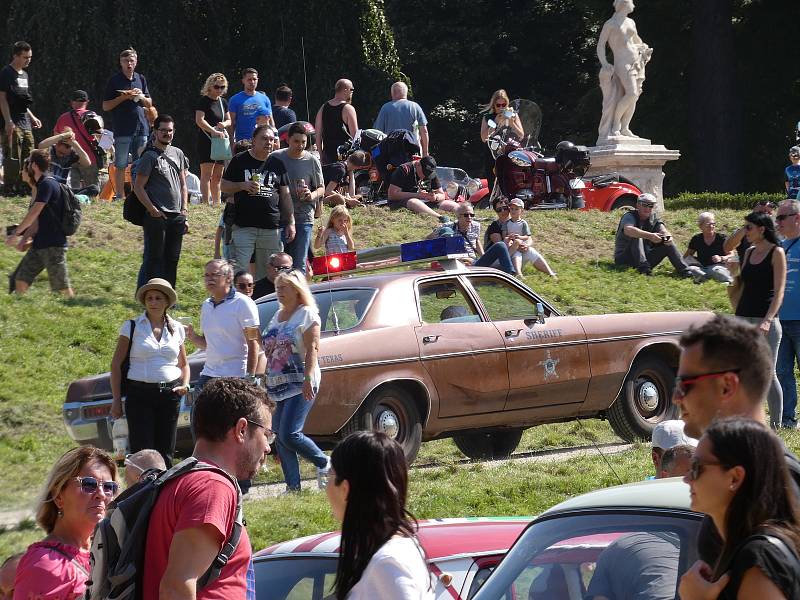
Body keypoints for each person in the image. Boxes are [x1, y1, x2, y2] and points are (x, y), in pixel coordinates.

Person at [141, 377, 274, 599]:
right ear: (241, 429)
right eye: (266, 434)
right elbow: (176, 587)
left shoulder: (180, 480)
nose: (268, 447)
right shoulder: (213, 487)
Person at [679, 418, 800, 600]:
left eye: (696, 467)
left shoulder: (758, 559)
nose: (687, 478)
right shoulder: (742, 549)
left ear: (735, 478)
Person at [326, 431, 433, 599]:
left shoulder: (388, 563)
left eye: (329, 475)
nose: (326, 487)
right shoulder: (388, 553)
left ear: (346, 489)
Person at [14, 446, 118, 600]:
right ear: (58, 496)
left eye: (109, 487)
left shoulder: (107, 552)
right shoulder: (44, 564)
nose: (101, 494)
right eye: (89, 484)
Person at [109, 278, 190, 467]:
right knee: (143, 453)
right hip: (140, 394)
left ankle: (165, 494)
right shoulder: (132, 326)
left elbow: (184, 364)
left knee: (166, 452)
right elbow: (115, 365)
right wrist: (116, 400)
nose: (153, 302)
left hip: (170, 395)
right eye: (149, 298)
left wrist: (185, 384)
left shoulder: (177, 328)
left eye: (158, 298)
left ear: (167, 302)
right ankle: (144, 493)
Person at [262, 270, 329, 491]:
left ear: (297, 290)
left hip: (301, 380)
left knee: (291, 433)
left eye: (284, 287)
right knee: (281, 437)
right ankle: (293, 487)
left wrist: (308, 377)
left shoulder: (307, 314)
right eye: (277, 287)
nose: (279, 292)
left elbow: (313, 348)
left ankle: (324, 462)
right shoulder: (277, 315)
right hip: (277, 383)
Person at [221, 124, 294, 280]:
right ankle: (237, 303)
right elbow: (224, 186)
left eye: (271, 139)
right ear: (253, 140)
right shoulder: (239, 160)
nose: (268, 142)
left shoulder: (277, 163)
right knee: (239, 270)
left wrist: (290, 222)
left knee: (269, 274)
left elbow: (285, 195)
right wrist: (242, 185)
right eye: (264, 138)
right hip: (243, 226)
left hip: (271, 228)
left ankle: (263, 303)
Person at [734, 211, 786, 428]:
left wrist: (768, 319)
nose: (745, 232)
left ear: (761, 229)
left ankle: (776, 424)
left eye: (749, 228)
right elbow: (744, 285)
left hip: (765, 321)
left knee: (767, 372)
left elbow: (779, 291)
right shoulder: (748, 252)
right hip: (743, 318)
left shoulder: (777, 252)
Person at [6, 150, 74, 297]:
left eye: (29, 163)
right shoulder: (42, 185)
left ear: (34, 166)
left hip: (53, 246)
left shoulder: (47, 184)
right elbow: (37, 221)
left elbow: (34, 212)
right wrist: (24, 239)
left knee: (62, 288)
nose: (27, 165)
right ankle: (21, 311)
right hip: (40, 244)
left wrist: (16, 234)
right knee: (21, 280)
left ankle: (74, 309)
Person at [133, 114, 189, 289]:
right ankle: (144, 292)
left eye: (170, 130)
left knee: (172, 259)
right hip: (156, 216)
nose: (167, 133)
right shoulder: (149, 156)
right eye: (163, 130)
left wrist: (184, 211)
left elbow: (183, 185)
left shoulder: (178, 153)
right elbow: (138, 187)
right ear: (155, 132)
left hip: (177, 215)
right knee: (153, 258)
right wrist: (152, 209)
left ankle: (168, 295)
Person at [186, 259, 260, 391]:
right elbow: (208, 345)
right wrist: (192, 337)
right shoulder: (206, 305)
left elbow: (253, 342)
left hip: (236, 375)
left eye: (214, 275)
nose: (209, 279)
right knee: (197, 411)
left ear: (228, 278)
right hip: (209, 374)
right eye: (207, 276)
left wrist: (250, 377)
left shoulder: (244, 303)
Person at [596, 0, 652, 141]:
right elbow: (601, 45)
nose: (633, 4)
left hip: (637, 62)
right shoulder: (611, 24)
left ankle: (625, 127)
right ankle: (615, 125)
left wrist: (644, 47)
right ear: (624, 4)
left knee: (635, 95)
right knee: (632, 93)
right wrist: (604, 62)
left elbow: (637, 41)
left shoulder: (630, 22)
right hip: (622, 62)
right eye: (631, 2)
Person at [102, 48, 153, 201]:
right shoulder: (114, 80)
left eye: (131, 61)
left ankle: (138, 195)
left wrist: (140, 96)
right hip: (123, 128)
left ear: (136, 62)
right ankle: (119, 196)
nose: (129, 64)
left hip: (141, 127)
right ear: (121, 63)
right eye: (126, 61)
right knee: (121, 163)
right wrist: (124, 97)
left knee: (141, 163)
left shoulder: (141, 79)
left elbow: (149, 103)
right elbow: (105, 106)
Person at [273, 122, 324, 272]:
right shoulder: (276, 157)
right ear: (288, 140)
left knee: (300, 264)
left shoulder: (312, 160)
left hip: (304, 216)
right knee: (279, 263)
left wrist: (311, 195)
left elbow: (321, 188)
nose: (300, 145)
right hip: (280, 217)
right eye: (296, 141)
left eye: (304, 142)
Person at [613, 193, 701, 277]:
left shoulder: (653, 218)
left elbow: (663, 230)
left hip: (645, 259)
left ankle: (686, 271)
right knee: (637, 235)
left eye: (650, 205)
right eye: (644, 205)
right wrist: (650, 236)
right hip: (624, 259)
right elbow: (629, 230)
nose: (647, 208)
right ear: (637, 205)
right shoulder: (629, 216)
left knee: (667, 242)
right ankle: (644, 270)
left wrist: (667, 237)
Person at [0, 41, 41, 197]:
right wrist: (8, 121)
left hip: (25, 122)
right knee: (13, 156)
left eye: (30, 57)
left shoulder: (25, 75)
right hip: (12, 122)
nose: (28, 60)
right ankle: (9, 188)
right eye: (25, 57)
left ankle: (24, 187)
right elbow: (2, 98)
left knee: (28, 155)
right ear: (15, 55)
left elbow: (22, 100)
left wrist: (32, 117)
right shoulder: (6, 73)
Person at [431, 202, 517, 275]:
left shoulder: (476, 226)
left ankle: (510, 274)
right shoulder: (448, 228)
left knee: (500, 246)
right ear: (458, 216)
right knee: (501, 246)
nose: (469, 218)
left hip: (474, 262)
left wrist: (483, 256)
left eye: (472, 215)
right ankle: (509, 275)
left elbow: (476, 241)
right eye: (466, 215)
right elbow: (428, 239)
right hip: (458, 263)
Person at [776, 200, 800, 428]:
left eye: (782, 217)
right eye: (777, 218)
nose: (778, 222)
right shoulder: (781, 247)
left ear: (797, 218)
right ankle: (787, 419)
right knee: (782, 372)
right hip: (781, 320)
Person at [194, 73, 232, 207]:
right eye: (217, 87)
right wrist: (213, 130)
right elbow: (199, 120)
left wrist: (224, 125)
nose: (220, 90)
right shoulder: (204, 101)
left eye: (222, 87)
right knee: (206, 174)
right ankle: (205, 202)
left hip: (220, 141)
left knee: (218, 175)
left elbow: (229, 120)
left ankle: (216, 202)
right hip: (206, 140)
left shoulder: (223, 102)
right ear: (210, 87)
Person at [54, 90, 101, 193]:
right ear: (87, 101)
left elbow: (56, 136)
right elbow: (100, 136)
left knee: (72, 192)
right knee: (93, 190)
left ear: (72, 102)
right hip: (89, 159)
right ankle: (94, 207)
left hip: (70, 159)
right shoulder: (92, 115)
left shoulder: (63, 118)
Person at [479, 90, 524, 191]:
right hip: (492, 153)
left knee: (510, 180)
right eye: (498, 105)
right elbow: (483, 138)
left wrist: (512, 122)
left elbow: (521, 135)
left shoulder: (513, 115)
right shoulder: (488, 117)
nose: (501, 108)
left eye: (504, 104)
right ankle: (494, 202)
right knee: (493, 180)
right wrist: (495, 122)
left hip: (509, 152)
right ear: (493, 105)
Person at [387, 156, 459, 218]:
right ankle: (440, 217)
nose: (425, 176)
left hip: (424, 201)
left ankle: (463, 214)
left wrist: (435, 197)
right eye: (424, 173)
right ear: (418, 164)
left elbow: (442, 194)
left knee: (450, 204)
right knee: (414, 202)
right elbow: (392, 195)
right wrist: (418, 195)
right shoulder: (404, 170)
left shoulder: (430, 173)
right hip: (403, 202)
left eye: (428, 174)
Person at [504, 198, 557, 277]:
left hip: (521, 245)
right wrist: (509, 237)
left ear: (521, 211)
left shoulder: (523, 223)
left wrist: (520, 237)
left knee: (532, 251)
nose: (513, 211)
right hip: (511, 247)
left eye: (516, 209)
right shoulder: (507, 223)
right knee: (516, 254)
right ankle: (518, 274)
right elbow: (504, 236)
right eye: (511, 209)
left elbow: (527, 236)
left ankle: (550, 273)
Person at [373, 81, 429, 156]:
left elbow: (378, 133)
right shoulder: (415, 107)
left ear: (392, 93)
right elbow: (424, 131)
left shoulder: (385, 108)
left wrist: (375, 155)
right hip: (412, 152)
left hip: (390, 152)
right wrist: (425, 152)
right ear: (406, 92)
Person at [314, 79, 358, 165]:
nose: (352, 92)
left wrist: (321, 155)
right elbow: (355, 135)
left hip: (327, 155)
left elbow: (318, 134)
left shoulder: (323, 107)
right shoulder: (348, 109)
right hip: (344, 156)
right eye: (351, 89)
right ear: (345, 89)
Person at [683, 211, 734, 284]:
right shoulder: (696, 239)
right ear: (700, 226)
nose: (711, 226)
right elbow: (687, 256)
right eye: (708, 224)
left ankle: (728, 280)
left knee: (715, 270)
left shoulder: (722, 238)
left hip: (718, 266)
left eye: (713, 224)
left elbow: (733, 255)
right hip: (702, 267)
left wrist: (721, 258)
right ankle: (706, 278)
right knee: (691, 269)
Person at [724, 200, 776, 264]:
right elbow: (728, 247)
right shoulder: (745, 231)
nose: (765, 215)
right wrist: (751, 222)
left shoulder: (778, 231)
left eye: (768, 212)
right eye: (762, 212)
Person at [228, 68, 273, 142]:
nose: (252, 82)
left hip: (263, 142)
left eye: (254, 79)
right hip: (243, 142)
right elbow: (231, 123)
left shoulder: (265, 99)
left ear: (257, 80)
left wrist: (274, 139)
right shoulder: (235, 100)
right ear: (243, 81)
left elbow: (271, 122)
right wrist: (231, 142)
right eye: (249, 79)